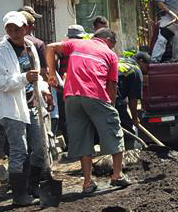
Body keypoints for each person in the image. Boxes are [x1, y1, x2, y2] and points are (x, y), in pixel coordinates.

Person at [44, 28, 130, 192]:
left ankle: (87, 183)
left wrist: (52, 74)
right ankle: (117, 176)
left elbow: (50, 48)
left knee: (83, 137)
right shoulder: (110, 55)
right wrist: (110, 107)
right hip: (95, 94)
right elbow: (111, 86)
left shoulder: (77, 43)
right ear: (108, 41)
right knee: (113, 130)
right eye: (112, 45)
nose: (111, 48)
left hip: (71, 97)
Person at [0, 12, 52, 206]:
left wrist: (44, 89)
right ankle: (19, 195)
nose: (14, 32)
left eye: (18, 28)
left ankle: (32, 186)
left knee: (40, 148)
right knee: (19, 150)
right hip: (12, 108)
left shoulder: (30, 47)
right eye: (10, 29)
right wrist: (24, 78)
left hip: (33, 104)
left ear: (26, 28)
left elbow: (37, 76)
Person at [117, 51, 146, 151]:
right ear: (141, 62)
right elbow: (133, 99)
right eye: (147, 66)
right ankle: (131, 154)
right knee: (127, 127)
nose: (146, 70)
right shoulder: (136, 70)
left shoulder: (119, 61)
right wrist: (134, 118)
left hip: (95, 95)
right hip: (113, 97)